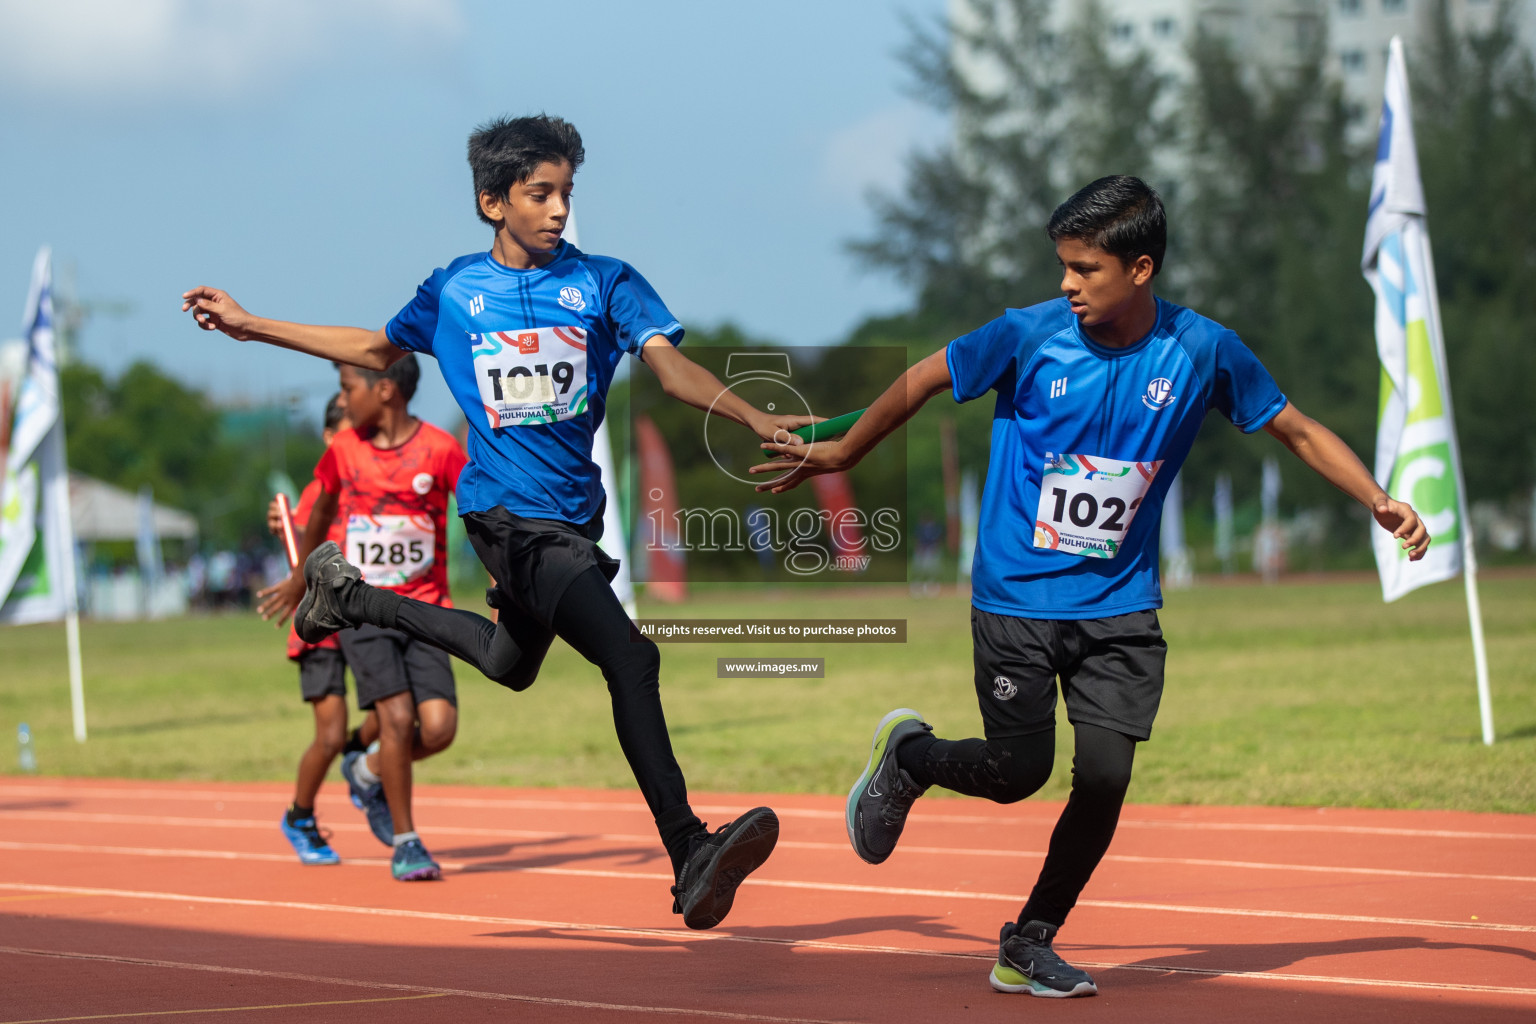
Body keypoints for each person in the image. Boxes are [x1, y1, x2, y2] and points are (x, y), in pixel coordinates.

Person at [753, 176, 1430, 996]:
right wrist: (844, 449)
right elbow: (925, 377)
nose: (1067, 284)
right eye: (1063, 266)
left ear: (1140, 269)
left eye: (1085, 269)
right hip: (1017, 598)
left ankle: (1028, 939)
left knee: (1106, 777)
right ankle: (910, 757)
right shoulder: (1026, 335)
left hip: (1120, 607)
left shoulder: (1203, 350)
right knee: (1018, 773)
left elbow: (1292, 426)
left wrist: (1378, 499)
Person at [183, 114, 799, 928]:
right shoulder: (454, 291)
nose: (557, 211)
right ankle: (688, 850)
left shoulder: (607, 283)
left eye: (566, 195)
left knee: (510, 664)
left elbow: (668, 364)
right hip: (507, 518)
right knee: (632, 659)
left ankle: (353, 598)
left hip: (574, 521)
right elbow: (372, 349)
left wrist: (746, 412)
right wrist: (250, 321)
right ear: (491, 201)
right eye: (539, 194)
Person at [258, 356, 468, 881]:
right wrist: (302, 579)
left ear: (387, 391)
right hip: (364, 608)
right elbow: (321, 514)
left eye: (349, 389)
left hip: (426, 608)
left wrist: (499, 578)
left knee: (438, 728)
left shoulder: (441, 449)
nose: (343, 402)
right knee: (395, 719)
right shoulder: (346, 451)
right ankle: (407, 841)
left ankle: (366, 769)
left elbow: (476, 512)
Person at [267, 394, 377, 865]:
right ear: (331, 437)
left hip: (363, 620)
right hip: (320, 628)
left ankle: (357, 759)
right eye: (353, 433)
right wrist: (284, 527)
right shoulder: (319, 490)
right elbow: (300, 547)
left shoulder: (370, 482)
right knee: (328, 735)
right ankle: (300, 815)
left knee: (394, 712)